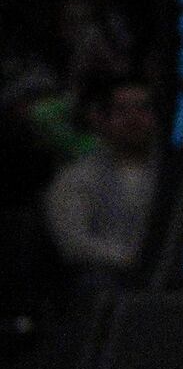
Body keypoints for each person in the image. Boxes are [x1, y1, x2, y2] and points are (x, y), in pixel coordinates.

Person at [40, 77, 155, 291]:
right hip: (104, 282)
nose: (134, 118)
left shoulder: (173, 176)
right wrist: (130, 259)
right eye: (122, 110)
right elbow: (74, 242)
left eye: (143, 109)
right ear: (102, 120)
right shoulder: (76, 178)